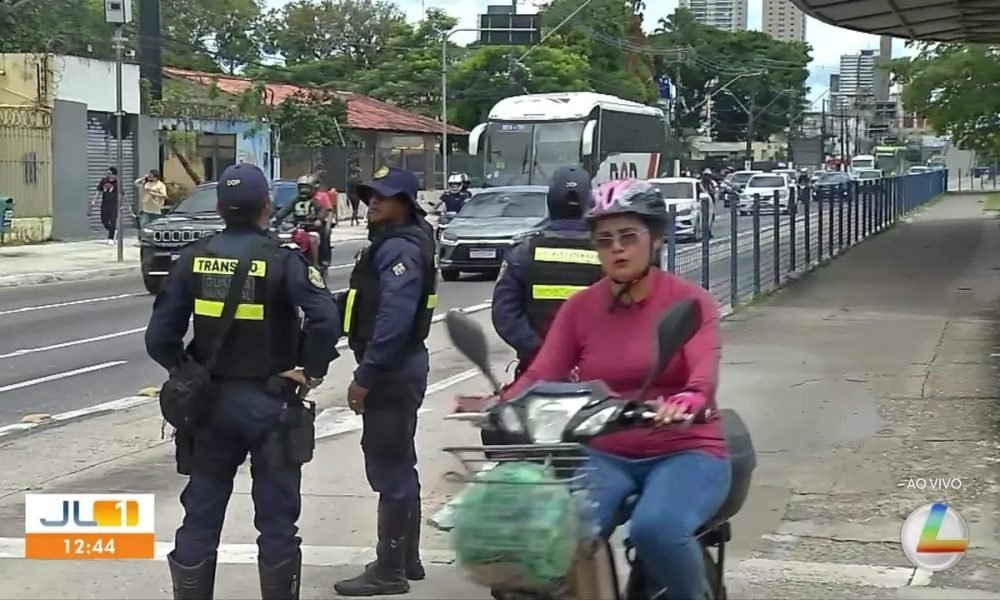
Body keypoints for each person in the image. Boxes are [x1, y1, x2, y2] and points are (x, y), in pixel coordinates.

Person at [474, 179, 731, 600]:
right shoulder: (581, 307)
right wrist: (501, 403)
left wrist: (690, 397)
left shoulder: (690, 302)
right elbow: (542, 373)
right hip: (607, 450)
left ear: (657, 238)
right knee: (559, 530)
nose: (617, 249)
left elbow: (703, 370)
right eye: (605, 239)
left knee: (657, 527)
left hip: (686, 448)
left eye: (629, 237)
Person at [145, 163, 342, 600]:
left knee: (201, 513)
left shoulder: (192, 258)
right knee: (276, 519)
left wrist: (186, 373)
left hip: (209, 405)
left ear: (219, 208)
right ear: (266, 207)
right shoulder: (283, 258)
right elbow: (327, 318)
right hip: (271, 402)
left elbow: (159, 337)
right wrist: (310, 371)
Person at [333, 166, 438, 597]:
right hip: (401, 367)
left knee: (389, 469)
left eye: (385, 195)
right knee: (400, 464)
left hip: (392, 371)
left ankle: (389, 569)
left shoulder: (400, 251)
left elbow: (393, 320)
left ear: (405, 204)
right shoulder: (399, 243)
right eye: (370, 194)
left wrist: (366, 375)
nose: (373, 201)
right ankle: (406, 559)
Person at [491, 167, 598, 377]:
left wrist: (541, 352)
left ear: (550, 201)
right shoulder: (609, 252)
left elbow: (505, 314)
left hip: (537, 372)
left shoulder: (523, 252)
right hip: (596, 375)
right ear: (590, 201)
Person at [274, 175, 333, 271]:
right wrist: (276, 218)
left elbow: (322, 211)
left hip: (312, 228)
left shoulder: (315, 201)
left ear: (313, 188)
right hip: (296, 227)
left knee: (313, 239)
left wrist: (318, 220)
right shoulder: (295, 200)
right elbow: (285, 210)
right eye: (302, 187)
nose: (304, 190)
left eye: (306, 188)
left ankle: (315, 265)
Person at [94, 166, 119, 245]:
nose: (107, 175)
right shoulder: (103, 181)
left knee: (112, 221)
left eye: (109, 173)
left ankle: (110, 238)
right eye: (107, 173)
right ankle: (113, 230)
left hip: (114, 205)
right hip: (104, 203)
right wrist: (94, 200)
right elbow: (98, 191)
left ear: (114, 175)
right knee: (104, 221)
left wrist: (125, 205)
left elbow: (122, 194)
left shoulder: (117, 183)